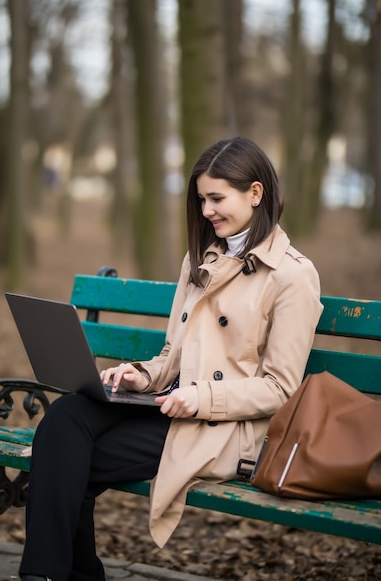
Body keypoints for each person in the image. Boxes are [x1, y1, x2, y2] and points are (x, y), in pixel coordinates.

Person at [19, 136, 323, 581]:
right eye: (201, 199)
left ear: (255, 193)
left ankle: (51, 576)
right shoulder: (201, 257)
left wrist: (200, 398)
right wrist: (141, 375)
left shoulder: (293, 276)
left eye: (216, 198)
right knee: (67, 417)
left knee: (69, 457)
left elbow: (280, 388)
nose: (205, 212)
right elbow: (172, 355)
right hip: (172, 406)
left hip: (226, 428)